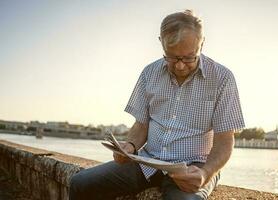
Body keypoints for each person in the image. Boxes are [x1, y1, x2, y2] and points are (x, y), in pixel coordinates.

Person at [69, 9, 245, 200]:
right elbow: (141, 125)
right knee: (80, 184)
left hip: (195, 167)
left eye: (188, 58)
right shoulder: (149, 73)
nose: (179, 66)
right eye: (171, 57)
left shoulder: (222, 78)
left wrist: (205, 174)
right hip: (148, 161)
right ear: (161, 42)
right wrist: (130, 146)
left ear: (202, 44)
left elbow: (225, 140)